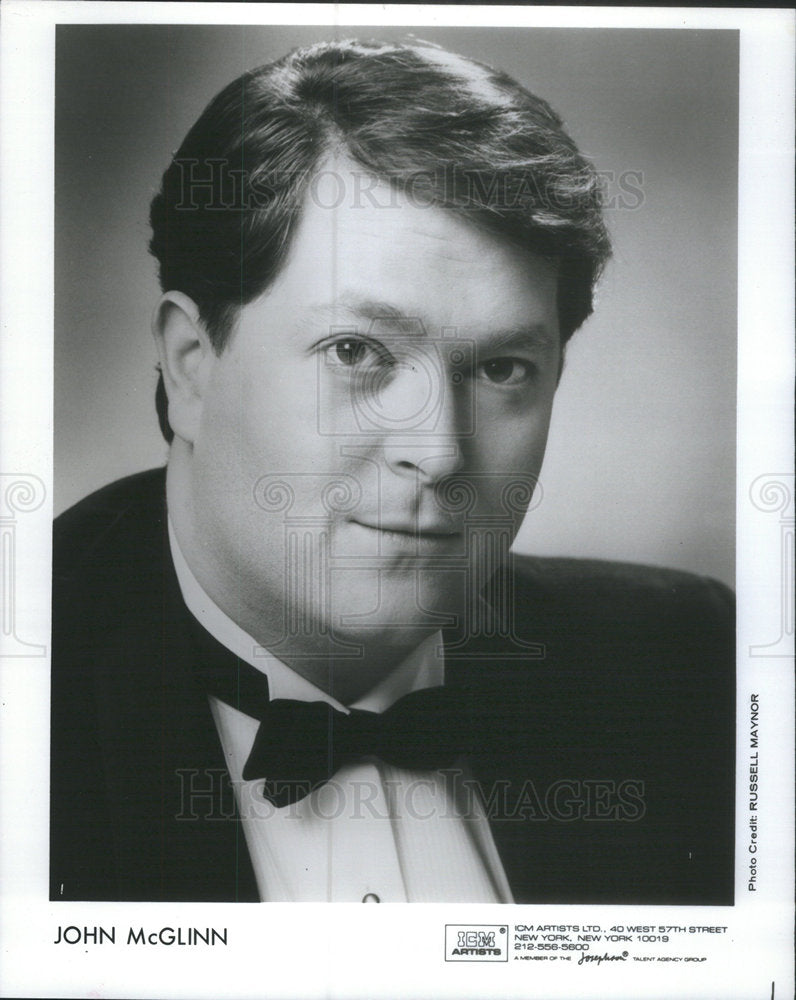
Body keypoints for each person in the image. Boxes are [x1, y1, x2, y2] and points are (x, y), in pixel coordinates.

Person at [50, 38, 734, 904]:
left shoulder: (696, 669)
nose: (440, 449)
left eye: (501, 369)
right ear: (191, 365)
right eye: (357, 351)